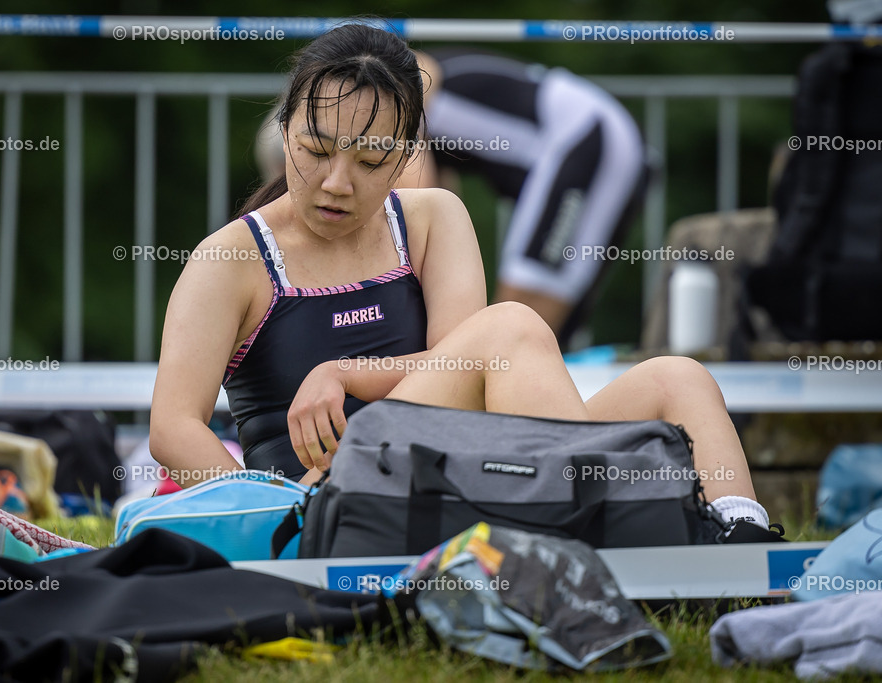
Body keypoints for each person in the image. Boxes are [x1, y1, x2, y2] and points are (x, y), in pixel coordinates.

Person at [150, 23, 770, 534]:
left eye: (370, 161)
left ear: (405, 158)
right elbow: (173, 428)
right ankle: (605, 529)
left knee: (677, 378)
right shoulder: (228, 257)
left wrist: (344, 373)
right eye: (316, 151)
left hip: (448, 468)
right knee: (511, 326)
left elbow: (462, 373)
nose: (337, 182)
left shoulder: (432, 217)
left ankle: (742, 548)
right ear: (285, 131)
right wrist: (272, 512)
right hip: (324, 504)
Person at [254, 47, 648, 345]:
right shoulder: (395, 98)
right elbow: (438, 204)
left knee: (524, 312)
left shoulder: (396, 90)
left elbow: (416, 205)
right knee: (544, 318)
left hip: (583, 139)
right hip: (584, 135)